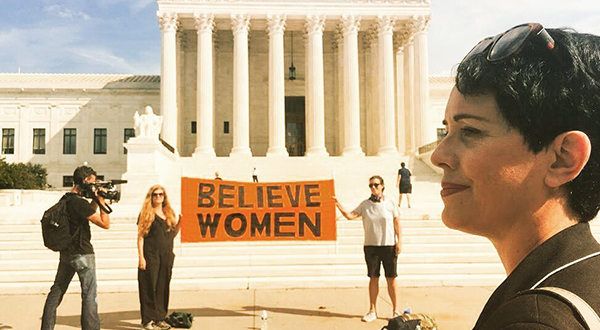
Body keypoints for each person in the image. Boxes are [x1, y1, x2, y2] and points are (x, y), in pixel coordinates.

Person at [431, 23, 600, 329]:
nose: (438, 157)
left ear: (564, 158)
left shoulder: (537, 321)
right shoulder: (586, 277)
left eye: (470, 131)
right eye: (446, 130)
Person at [41, 165, 111, 330]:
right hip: (83, 254)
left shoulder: (66, 200)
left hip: (66, 254)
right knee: (89, 295)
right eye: (92, 182)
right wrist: (102, 201)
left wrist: (94, 200)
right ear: (86, 180)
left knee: (56, 292)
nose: (93, 186)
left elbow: (86, 214)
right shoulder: (79, 203)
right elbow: (105, 224)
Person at [333, 175, 401, 322]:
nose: (373, 188)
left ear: (382, 186)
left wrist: (399, 241)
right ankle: (372, 310)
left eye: (376, 185)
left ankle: (395, 310)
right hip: (371, 246)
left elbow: (397, 223)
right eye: (370, 186)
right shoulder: (365, 204)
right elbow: (351, 216)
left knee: (391, 279)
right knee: (373, 278)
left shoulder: (391, 203)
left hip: (388, 245)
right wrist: (339, 205)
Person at [137, 185, 181, 330]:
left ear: (164, 197)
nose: (158, 197)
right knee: (149, 287)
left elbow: (172, 235)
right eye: (155, 195)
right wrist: (141, 257)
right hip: (151, 255)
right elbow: (141, 237)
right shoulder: (146, 213)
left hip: (166, 255)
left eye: (161, 194)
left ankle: (160, 317)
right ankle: (147, 320)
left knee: (163, 287)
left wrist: (180, 223)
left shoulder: (168, 213)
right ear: (151, 196)